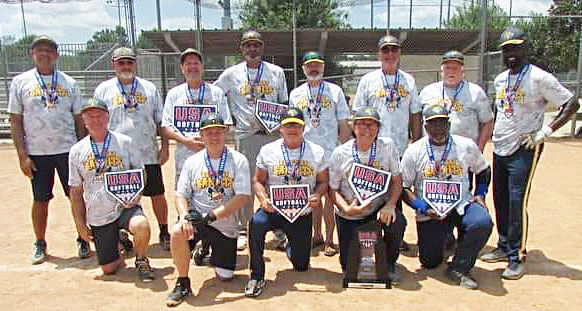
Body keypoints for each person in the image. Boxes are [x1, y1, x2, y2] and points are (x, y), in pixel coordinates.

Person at [480, 27, 579, 280]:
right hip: (501, 147)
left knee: (517, 201)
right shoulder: (501, 79)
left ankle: (517, 255)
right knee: (500, 197)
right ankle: (504, 245)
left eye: (515, 47)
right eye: (506, 49)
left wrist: (545, 131)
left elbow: (571, 102)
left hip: (525, 148)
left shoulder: (539, 77)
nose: (511, 53)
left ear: (525, 48)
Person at [8, 35, 89, 264]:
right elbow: (15, 119)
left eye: (49, 50)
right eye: (39, 49)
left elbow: (79, 118)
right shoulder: (21, 82)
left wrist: (81, 150)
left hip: (68, 151)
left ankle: (83, 238)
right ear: (32, 54)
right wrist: (23, 156)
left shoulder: (69, 83)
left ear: (56, 55)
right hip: (37, 152)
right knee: (40, 199)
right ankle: (40, 242)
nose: (45, 53)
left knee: (77, 197)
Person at [401, 105, 493, 289]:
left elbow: (483, 169)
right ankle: (446, 237)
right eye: (433, 124)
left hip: (461, 204)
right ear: (425, 127)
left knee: (482, 222)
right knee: (430, 262)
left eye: (442, 123)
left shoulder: (465, 145)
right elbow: (403, 187)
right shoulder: (414, 150)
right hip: (431, 210)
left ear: (449, 124)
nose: (438, 129)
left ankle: (459, 267)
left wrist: (480, 194)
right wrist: (421, 207)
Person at [165, 113, 251, 307]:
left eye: (218, 132)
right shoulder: (192, 162)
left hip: (224, 223)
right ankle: (183, 282)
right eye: (209, 133)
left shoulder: (238, 160)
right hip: (198, 219)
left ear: (225, 134)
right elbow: (181, 194)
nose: (214, 137)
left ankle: (204, 249)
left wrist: (213, 216)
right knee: (178, 231)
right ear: (201, 136)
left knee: (225, 277)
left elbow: (242, 197)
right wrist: (184, 217)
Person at [214, 30, 289, 250]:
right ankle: (243, 229)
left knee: (275, 181)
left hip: (273, 135)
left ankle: (279, 227)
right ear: (242, 49)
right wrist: (226, 118)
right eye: (248, 45)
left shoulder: (276, 72)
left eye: (256, 45)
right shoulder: (231, 74)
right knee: (245, 182)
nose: (252, 49)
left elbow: (283, 103)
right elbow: (215, 94)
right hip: (246, 136)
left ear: (262, 48)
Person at [93, 47, 171, 251]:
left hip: (147, 153)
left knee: (157, 194)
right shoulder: (104, 90)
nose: (126, 66)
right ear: (114, 64)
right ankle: (121, 233)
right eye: (121, 62)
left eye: (129, 62)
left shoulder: (149, 88)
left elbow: (161, 120)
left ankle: (164, 231)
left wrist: (164, 147)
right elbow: (97, 121)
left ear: (135, 64)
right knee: (119, 195)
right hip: (117, 157)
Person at [69, 98, 155, 282]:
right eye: (90, 117)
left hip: (126, 207)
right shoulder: (77, 151)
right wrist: (80, 224)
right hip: (99, 213)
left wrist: (135, 194)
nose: (95, 120)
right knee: (109, 269)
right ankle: (118, 239)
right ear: (83, 121)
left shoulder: (125, 142)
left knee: (141, 225)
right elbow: (75, 191)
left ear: (107, 117)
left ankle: (141, 259)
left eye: (99, 115)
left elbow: (141, 173)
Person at [245, 107, 328, 298]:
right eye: (288, 125)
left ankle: (289, 244)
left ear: (304, 128)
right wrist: (263, 199)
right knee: (256, 224)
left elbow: (323, 181)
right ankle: (257, 275)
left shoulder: (316, 152)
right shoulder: (268, 151)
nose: (292, 129)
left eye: (296, 125)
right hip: (274, 210)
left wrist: (317, 195)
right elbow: (257, 180)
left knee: (301, 266)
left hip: (302, 213)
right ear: (280, 128)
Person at [352, 34, 422, 250]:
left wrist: (416, 142)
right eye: (385, 50)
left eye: (394, 50)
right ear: (379, 54)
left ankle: (395, 236)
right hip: (372, 147)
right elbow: (357, 114)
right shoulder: (368, 80)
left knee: (396, 190)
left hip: (400, 145)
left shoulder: (408, 80)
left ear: (399, 53)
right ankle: (367, 234)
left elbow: (415, 114)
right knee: (368, 188)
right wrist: (360, 143)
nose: (390, 54)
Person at [419, 50, 494, 250]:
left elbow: (487, 121)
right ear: (441, 70)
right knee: (438, 196)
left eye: (456, 67)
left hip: (464, 156)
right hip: (434, 156)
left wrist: (478, 149)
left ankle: (464, 236)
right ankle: (444, 235)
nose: (452, 71)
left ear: (463, 71)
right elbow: (419, 120)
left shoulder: (475, 92)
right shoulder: (428, 91)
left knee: (463, 198)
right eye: (448, 67)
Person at [329, 107, 405, 283]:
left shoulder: (387, 147)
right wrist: (346, 209)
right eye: (362, 124)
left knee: (397, 221)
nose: (367, 129)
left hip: (377, 208)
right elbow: (332, 189)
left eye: (372, 125)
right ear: (353, 127)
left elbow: (397, 180)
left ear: (378, 128)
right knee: (349, 267)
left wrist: (391, 204)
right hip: (349, 211)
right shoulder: (340, 153)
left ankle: (390, 262)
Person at [289, 51, 351, 256]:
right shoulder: (296, 94)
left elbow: (343, 122)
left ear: (323, 68)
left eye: (317, 65)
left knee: (330, 199)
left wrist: (344, 149)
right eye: (309, 65)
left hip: (331, 153)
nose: (313, 68)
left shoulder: (335, 92)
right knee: (313, 196)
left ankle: (331, 240)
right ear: (304, 69)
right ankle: (317, 235)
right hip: (306, 154)